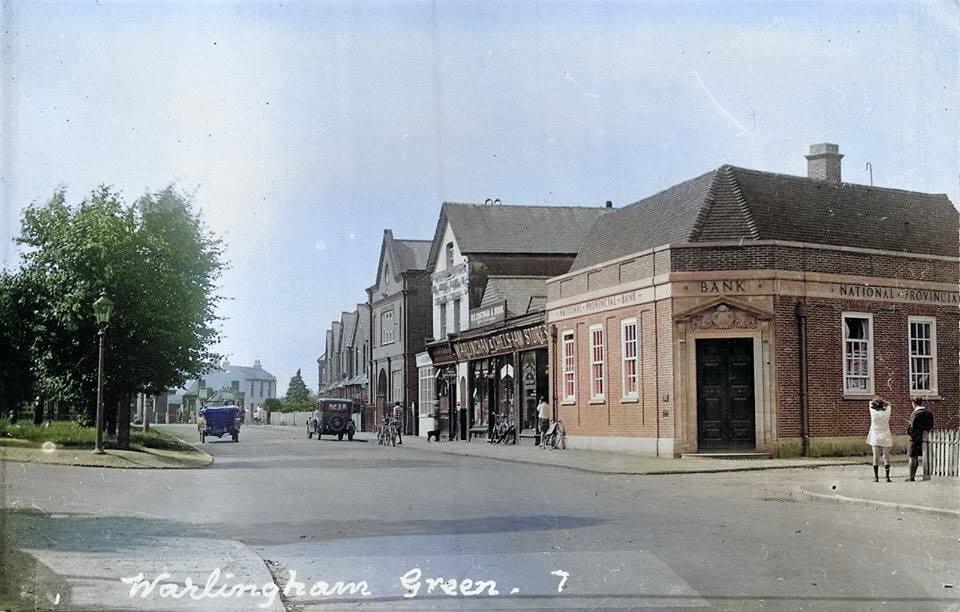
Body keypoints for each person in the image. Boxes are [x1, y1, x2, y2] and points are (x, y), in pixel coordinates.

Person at [906, 396, 934, 481]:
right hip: (925, 437)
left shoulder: (915, 414)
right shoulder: (929, 412)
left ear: (913, 403)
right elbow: (931, 425)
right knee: (924, 457)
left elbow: (912, 428)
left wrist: (908, 431)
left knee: (912, 457)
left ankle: (911, 477)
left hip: (914, 438)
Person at [866, 397, 893, 482]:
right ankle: (887, 477)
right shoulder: (887, 413)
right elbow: (889, 404)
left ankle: (876, 477)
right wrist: (883, 401)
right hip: (885, 435)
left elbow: (870, 402)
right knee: (886, 456)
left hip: (875, 435)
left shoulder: (873, 413)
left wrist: (877, 401)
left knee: (875, 456)